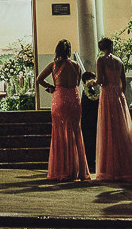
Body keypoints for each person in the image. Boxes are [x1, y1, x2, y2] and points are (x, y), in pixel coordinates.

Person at [94, 37, 132, 183]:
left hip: (107, 95)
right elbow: (123, 81)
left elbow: (101, 80)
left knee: (108, 129)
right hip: (118, 95)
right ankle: (125, 166)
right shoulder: (119, 61)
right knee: (120, 129)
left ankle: (109, 168)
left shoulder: (101, 60)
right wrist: (119, 93)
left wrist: (91, 83)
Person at [37, 38, 89, 182]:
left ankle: (62, 170)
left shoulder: (54, 65)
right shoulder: (77, 66)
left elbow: (39, 79)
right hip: (74, 98)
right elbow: (77, 82)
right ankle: (77, 171)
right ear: (69, 51)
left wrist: (50, 88)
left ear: (57, 51)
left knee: (60, 134)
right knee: (75, 132)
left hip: (59, 99)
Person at [79, 71, 100, 168]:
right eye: (93, 78)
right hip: (88, 121)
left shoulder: (90, 91)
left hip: (90, 121)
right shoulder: (87, 92)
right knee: (89, 143)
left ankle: (91, 161)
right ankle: (90, 163)